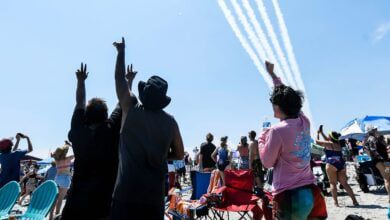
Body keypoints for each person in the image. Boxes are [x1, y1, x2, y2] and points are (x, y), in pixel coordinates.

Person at [111, 37, 184, 220]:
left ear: (144, 94)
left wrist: (121, 52)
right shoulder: (171, 122)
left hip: (125, 194)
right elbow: (180, 154)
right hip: (153, 197)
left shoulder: (130, 108)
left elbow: (119, 79)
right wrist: (162, 155)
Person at [259, 61, 327, 219]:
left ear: (277, 107)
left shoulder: (276, 131)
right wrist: (273, 76)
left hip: (288, 196)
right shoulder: (304, 121)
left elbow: (267, 163)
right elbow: (290, 99)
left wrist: (262, 138)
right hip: (309, 193)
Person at [61, 63, 123, 220]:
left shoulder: (78, 130)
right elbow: (122, 100)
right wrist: (128, 81)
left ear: (86, 116)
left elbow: (80, 101)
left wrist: (81, 80)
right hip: (102, 202)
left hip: (76, 201)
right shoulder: (110, 128)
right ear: (105, 115)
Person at [316, 126, 358, 207]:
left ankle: (336, 203)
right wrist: (322, 133)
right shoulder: (338, 144)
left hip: (331, 164)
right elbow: (329, 140)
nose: (327, 137)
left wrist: (318, 134)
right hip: (341, 164)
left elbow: (317, 142)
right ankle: (354, 201)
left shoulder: (328, 144)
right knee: (345, 184)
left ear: (330, 137)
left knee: (333, 184)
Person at [364, 127, 390, 203]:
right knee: (387, 178)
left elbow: (368, 151)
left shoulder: (369, 139)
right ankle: (389, 197)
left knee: (388, 177)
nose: (377, 130)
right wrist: (383, 158)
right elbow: (373, 151)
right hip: (382, 161)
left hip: (382, 161)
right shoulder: (372, 138)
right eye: (375, 129)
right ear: (372, 131)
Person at [50, 144, 74, 219]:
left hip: (57, 178)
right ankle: (56, 216)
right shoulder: (68, 158)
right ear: (65, 152)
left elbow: (53, 154)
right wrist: (70, 145)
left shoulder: (56, 160)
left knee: (54, 199)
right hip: (65, 178)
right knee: (60, 199)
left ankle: (50, 217)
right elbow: (77, 152)